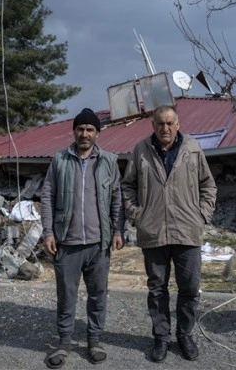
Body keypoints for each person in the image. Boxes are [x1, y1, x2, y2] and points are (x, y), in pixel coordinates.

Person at [121, 105, 217, 363]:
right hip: (153, 231)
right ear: (153, 125)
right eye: (160, 124)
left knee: (190, 287)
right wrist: (136, 214)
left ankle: (185, 335)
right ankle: (161, 338)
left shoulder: (193, 148)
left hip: (187, 230)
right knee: (157, 289)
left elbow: (208, 185)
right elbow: (127, 185)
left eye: (169, 123)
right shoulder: (141, 149)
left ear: (178, 124)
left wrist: (202, 215)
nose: (165, 128)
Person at [40, 108, 125, 369]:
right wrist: (48, 232)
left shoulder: (109, 161)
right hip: (67, 242)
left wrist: (118, 231)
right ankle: (64, 341)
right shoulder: (60, 159)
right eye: (80, 129)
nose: (84, 134)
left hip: (99, 245)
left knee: (98, 294)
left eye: (90, 129)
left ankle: (94, 340)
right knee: (66, 295)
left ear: (97, 133)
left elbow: (116, 199)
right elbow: (48, 196)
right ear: (74, 131)